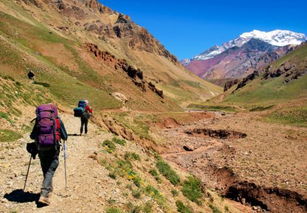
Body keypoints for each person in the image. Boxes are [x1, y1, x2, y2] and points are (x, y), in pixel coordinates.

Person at [30, 104, 68, 205]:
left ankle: (48, 190)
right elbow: (65, 136)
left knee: (45, 168)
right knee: (51, 169)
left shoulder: (39, 120)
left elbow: (32, 135)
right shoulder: (57, 120)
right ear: (54, 112)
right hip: (53, 148)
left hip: (41, 148)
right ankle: (44, 194)